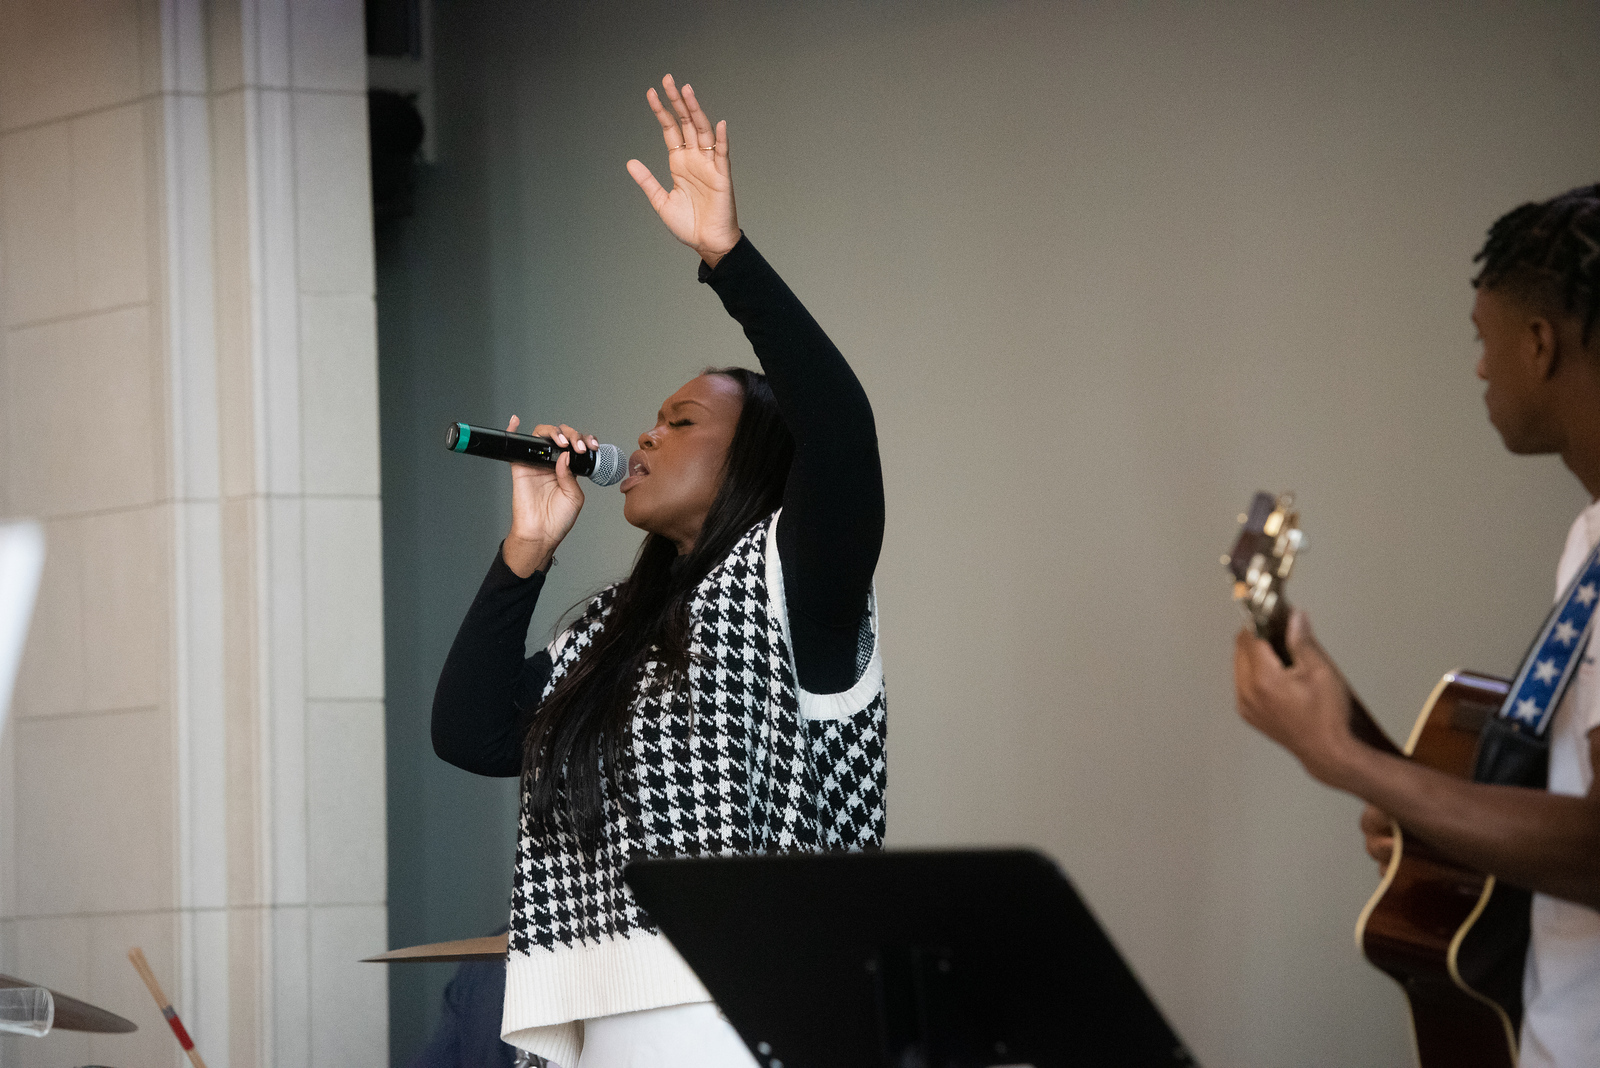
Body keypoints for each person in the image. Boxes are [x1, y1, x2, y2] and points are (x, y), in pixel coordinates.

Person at [431, 75, 886, 1068]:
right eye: (652, 416)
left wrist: (724, 255)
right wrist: (524, 554)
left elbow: (842, 432)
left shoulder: (790, 584)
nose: (646, 433)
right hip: (601, 1006)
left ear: (755, 463)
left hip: (749, 1004)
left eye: (682, 422)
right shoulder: (606, 630)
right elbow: (470, 735)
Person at [1233, 184, 1600, 1068]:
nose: (1479, 368)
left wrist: (1350, 763)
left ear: (1540, 344)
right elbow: (1561, 821)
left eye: (1485, 338)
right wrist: (1413, 805)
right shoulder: (1587, 541)